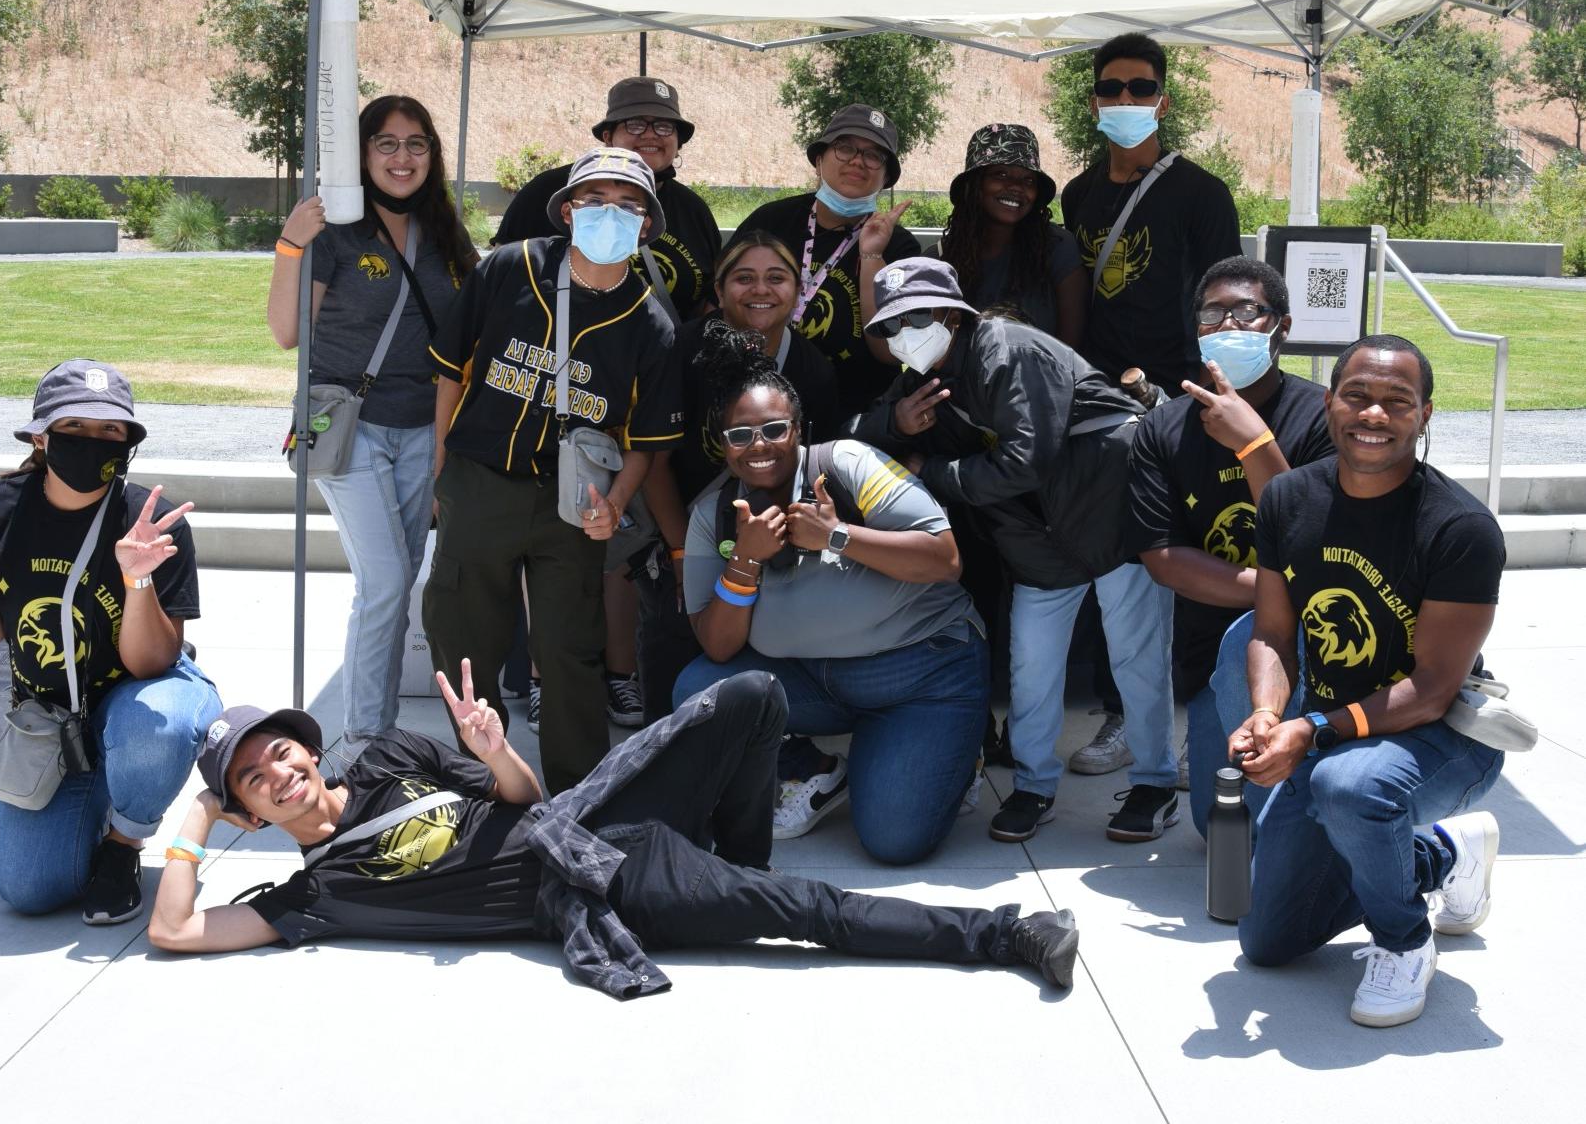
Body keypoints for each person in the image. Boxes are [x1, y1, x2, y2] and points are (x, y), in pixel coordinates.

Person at [146, 663, 1083, 998]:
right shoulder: (313, 896)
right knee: (806, 907)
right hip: (602, 883)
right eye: (255, 781)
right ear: (253, 813)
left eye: (281, 752)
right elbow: (176, 930)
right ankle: (1004, 935)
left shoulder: (388, 757)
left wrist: (490, 746)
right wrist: (197, 810)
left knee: (752, 697)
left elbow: (522, 796)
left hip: (590, 816)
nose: (281, 772)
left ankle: (732, 867)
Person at [847, 257, 1179, 845]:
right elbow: (860, 438)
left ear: (951, 313)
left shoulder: (1006, 348)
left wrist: (936, 470)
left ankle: (1154, 783)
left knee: (1138, 659)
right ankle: (1033, 786)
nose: (902, 335)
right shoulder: (923, 377)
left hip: (1114, 519)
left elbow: (1028, 458)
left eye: (914, 318)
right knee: (1031, 668)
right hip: (1035, 542)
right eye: (889, 326)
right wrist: (897, 422)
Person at [1232, 335, 1505, 1028]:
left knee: (1349, 788)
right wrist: (1268, 712)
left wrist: (1310, 729)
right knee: (1268, 942)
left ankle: (1404, 943)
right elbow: (1270, 631)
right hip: (1328, 733)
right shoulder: (1289, 498)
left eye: (1396, 402)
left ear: (1425, 415)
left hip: (1438, 736)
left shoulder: (1461, 527)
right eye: (1357, 396)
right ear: (1330, 402)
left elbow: (1436, 688)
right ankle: (1443, 852)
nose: (1373, 414)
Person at [0, 359, 222, 924]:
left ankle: (124, 844)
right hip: (54, 718)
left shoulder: (150, 524)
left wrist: (137, 578)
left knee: (159, 724)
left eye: (110, 430)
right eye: (74, 428)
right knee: (27, 890)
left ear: (129, 441)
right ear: (41, 436)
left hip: (140, 695)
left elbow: (152, 661)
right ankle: (108, 787)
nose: (92, 442)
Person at [669, 327, 987, 864]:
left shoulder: (847, 464)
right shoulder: (713, 513)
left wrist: (837, 535)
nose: (759, 446)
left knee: (894, 841)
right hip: (814, 680)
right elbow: (718, 648)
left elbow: (945, 560)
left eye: (773, 429)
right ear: (721, 445)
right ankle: (812, 768)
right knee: (699, 690)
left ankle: (950, 754)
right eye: (739, 435)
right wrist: (744, 560)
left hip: (921, 674)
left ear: (799, 430)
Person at [422, 147, 684, 794]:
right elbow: (450, 371)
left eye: (628, 206)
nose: (610, 215)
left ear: (647, 224)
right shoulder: (512, 268)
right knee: (465, 643)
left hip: (570, 503)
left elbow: (645, 440)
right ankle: (479, 784)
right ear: (568, 210)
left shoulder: (651, 323)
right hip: (479, 481)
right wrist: (440, 471)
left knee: (570, 653)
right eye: (594, 200)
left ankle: (577, 796)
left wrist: (615, 503)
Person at [268, 94, 478, 743]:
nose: (402, 156)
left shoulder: (446, 231)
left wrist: (448, 445)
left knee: (395, 582)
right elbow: (284, 332)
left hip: (424, 430)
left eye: (416, 143)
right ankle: (363, 744)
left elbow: (467, 336)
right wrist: (289, 244)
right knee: (385, 581)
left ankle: (376, 732)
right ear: (362, 152)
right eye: (386, 143)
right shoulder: (333, 229)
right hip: (348, 428)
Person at [1125, 257, 1334, 837]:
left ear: (1282, 328)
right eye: (1213, 314)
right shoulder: (1164, 429)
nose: (1228, 326)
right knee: (1219, 831)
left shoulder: (1320, 414)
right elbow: (1163, 558)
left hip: (1319, 637)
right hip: (1216, 641)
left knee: (1295, 824)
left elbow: (1309, 538)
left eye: (1248, 313)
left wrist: (1255, 444)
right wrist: (1272, 594)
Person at [635, 234, 840, 726]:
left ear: (797, 291)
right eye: (744, 278)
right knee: (675, 646)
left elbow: (819, 468)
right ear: (720, 290)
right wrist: (683, 553)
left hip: (779, 536)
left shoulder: (811, 367)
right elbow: (654, 464)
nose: (760, 290)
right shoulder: (681, 349)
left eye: (776, 278)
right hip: (682, 525)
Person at [1059, 32, 1242, 397]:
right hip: (1096, 389)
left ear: (1163, 104)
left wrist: (1203, 393)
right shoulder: (1077, 194)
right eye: (1110, 88)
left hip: (1175, 388)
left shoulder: (1204, 194)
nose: (1125, 98)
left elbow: (1229, 302)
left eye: (1141, 88)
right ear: (1095, 104)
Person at [730, 104, 921, 416]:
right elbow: (723, 307)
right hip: (759, 407)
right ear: (819, 160)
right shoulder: (771, 221)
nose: (858, 161)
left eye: (874, 156)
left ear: (886, 178)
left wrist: (871, 254)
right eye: (845, 148)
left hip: (852, 417)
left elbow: (888, 353)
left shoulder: (900, 247)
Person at [493, 76, 721, 323]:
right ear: (608, 137)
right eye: (635, 124)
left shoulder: (695, 212)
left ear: (678, 143)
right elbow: (500, 277)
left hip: (658, 353)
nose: (650, 135)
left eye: (664, 126)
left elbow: (708, 301)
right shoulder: (550, 190)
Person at [936, 123, 1085, 348]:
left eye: (1028, 180)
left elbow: (1072, 348)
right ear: (975, 185)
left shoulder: (1058, 248)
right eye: (1001, 174)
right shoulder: (941, 258)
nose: (1016, 187)